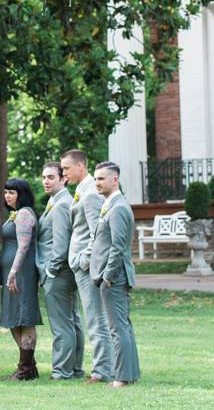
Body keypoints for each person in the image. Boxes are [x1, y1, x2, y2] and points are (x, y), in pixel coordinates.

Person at [61, 149, 113, 383]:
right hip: (81, 266)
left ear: (80, 167)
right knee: (93, 317)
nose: (64, 173)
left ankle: (102, 371)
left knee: (95, 319)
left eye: (66, 168)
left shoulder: (90, 193)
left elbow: (98, 233)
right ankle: (103, 368)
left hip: (87, 267)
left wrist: (83, 259)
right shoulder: (81, 190)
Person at [90, 162, 140, 388]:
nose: (97, 183)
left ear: (115, 180)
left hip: (114, 277)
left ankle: (122, 377)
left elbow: (118, 247)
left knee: (117, 328)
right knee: (122, 326)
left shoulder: (118, 207)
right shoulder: (110, 204)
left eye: (101, 178)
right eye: (96, 179)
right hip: (111, 276)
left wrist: (107, 277)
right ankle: (131, 373)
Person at [36, 161, 85, 379]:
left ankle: (62, 371)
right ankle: (73, 368)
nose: (46, 181)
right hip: (61, 272)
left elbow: (60, 243)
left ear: (63, 179)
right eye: (44, 177)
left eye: (51, 177)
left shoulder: (62, 203)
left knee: (62, 323)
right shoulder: (55, 202)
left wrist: (51, 271)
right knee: (71, 320)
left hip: (58, 273)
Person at [0, 178, 43, 380]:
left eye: (12, 192)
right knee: (13, 319)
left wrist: (13, 272)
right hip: (12, 273)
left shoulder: (24, 213)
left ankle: (25, 369)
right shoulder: (14, 214)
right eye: (6, 191)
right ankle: (28, 367)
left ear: (22, 194)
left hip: (21, 273)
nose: (7, 195)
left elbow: (23, 246)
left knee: (24, 318)